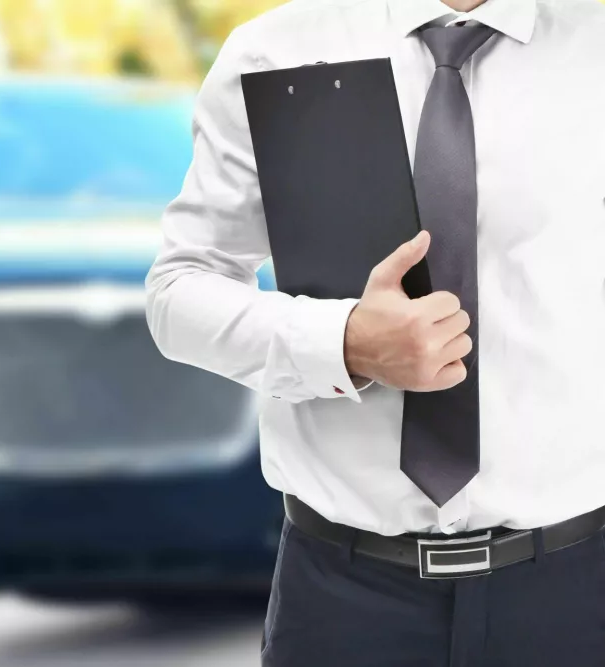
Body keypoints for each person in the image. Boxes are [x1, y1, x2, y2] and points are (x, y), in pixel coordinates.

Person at [144, 0, 605, 665]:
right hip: (345, 599)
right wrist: (341, 342)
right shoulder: (276, 51)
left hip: (574, 591)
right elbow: (179, 289)